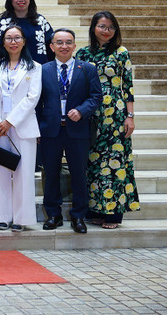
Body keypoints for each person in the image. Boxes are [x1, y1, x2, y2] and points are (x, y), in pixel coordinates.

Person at [76, 12, 140, 228]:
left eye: (111, 27)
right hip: (90, 113)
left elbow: (128, 87)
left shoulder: (121, 53)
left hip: (115, 114)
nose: (107, 31)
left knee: (115, 162)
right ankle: (95, 209)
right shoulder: (83, 53)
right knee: (93, 162)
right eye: (102, 26)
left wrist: (130, 116)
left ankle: (113, 214)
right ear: (93, 27)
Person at [37, 29, 103, 234]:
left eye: (68, 42)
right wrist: (36, 128)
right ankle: (53, 215)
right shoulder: (42, 70)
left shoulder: (87, 69)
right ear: (51, 46)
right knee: (51, 173)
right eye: (59, 42)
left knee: (79, 174)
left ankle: (78, 216)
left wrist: (82, 111)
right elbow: (36, 102)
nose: (64, 46)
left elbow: (96, 97)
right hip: (50, 130)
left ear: (74, 46)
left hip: (78, 130)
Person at [0, 24, 41, 232]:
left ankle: (21, 218)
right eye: (9, 38)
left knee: (23, 174)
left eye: (17, 38)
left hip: (23, 126)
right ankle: (3, 217)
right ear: (3, 42)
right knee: (0, 171)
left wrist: (10, 121)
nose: (13, 42)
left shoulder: (34, 67)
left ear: (24, 41)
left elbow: (32, 97)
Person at [0, 0, 54, 64]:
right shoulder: (3, 24)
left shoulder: (40, 21)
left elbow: (52, 48)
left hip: (39, 68)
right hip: (10, 69)